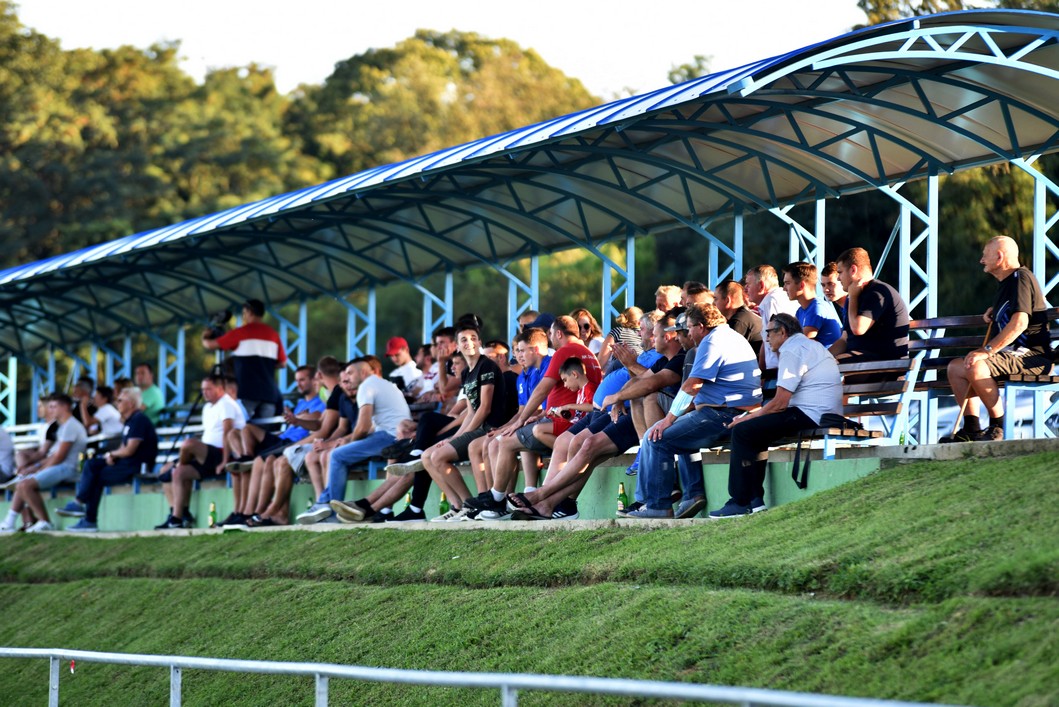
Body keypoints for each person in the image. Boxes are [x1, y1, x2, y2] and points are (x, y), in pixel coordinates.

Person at [626, 303, 761, 519]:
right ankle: (667, 498)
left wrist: (667, 420)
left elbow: (692, 385)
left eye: (689, 327)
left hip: (725, 414)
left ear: (701, 326)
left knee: (656, 438)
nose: (687, 333)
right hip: (730, 411)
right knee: (663, 433)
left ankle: (657, 506)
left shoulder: (713, 341)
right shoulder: (727, 336)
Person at [709, 313, 842, 518]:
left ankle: (739, 502)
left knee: (743, 430)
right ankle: (754, 500)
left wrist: (747, 417)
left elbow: (780, 403)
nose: (766, 337)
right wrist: (754, 416)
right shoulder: (808, 345)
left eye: (769, 332)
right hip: (820, 412)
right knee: (754, 431)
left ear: (783, 332)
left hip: (812, 414)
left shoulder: (792, 350)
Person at [943, 236, 1052, 442]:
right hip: (1012, 356)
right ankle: (972, 428)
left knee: (977, 365)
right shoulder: (1007, 283)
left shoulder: (1021, 278)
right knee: (956, 368)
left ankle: (999, 426)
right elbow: (1015, 310)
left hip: (1032, 357)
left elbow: (1020, 323)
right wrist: (996, 311)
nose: (981, 260)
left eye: (985, 255)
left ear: (1000, 256)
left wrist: (987, 351)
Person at [405, 322, 509, 522]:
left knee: (437, 457)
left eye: (473, 338)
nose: (469, 343)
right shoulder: (465, 373)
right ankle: (460, 505)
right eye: (464, 339)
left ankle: (473, 504)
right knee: (427, 456)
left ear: (479, 342)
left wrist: (459, 436)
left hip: (490, 428)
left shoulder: (487, 365)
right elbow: (470, 412)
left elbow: (485, 408)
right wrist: (455, 435)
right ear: (457, 346)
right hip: (476, 427)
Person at [299, 356, 410, 524]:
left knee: (337, 455)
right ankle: (324, 502)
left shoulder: (366, 385)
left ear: (363, 372)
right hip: (391, 434)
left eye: (350, 373)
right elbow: (371, 428)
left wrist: (349, 443)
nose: (346, 378)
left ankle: (330, 511)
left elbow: (363, 427)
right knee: (337, 451)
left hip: (391, 437)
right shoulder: (382, 383)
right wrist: (347, 440)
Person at [220, 364, 326, 526]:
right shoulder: (299, 403)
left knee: (263, 460)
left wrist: (298, 419)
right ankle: (245, 458)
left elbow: (318, 420)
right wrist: (295, 418)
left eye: (302, 380)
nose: (298, 384)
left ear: (315, 380)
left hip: (293, 444)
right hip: (282, 440)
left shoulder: (321, 401)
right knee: (242, 433)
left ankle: (253, 512)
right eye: (297, 380)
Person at [57, 387, 159, 532]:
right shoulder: (130, 421)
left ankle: (83, 510)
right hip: (127, 463)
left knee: (95, 474)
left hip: (136, 465)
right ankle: (85, 515)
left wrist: (113, 455)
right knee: (92, 466)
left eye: (120, 400)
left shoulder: (139, 420)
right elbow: (124, 447)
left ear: (130, 404)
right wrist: (113, 456)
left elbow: (130, 450)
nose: (117, 403)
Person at [154, 374, 246, 529]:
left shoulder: (226, 404)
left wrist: (224, 461)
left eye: (209, 389)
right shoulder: (207, 408)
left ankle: (179, 464)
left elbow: (227, 433)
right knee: (176, 473)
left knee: (188, 444)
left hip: (223, 454)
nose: (205, 393)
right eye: (203, 389)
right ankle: (177, 517)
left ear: (220, 388)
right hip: (207, 456)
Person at [0, 394, 88, 533]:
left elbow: (59, 457)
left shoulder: (71, 425)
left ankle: (44, 521)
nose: (50, 409)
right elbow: (52, 455)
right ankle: (10, 521)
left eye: (53, 406)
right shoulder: (62, 426)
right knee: (22, 481)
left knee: (25, 484)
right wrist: (34, 467)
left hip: (68, 468)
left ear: (65, 407)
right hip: (60, 467)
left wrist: (38, 470)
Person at [201, 298, 288, 419]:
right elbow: (283, 363)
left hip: (247, 391)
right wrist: (263, 365)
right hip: (269, 393)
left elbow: (211, 344)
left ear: (250, 312)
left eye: (244, 313)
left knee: (242, 429)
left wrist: (206, 336)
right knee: (264, 433)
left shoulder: (241, 332)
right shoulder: (273, 334)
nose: (244, 316)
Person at [828, 247, 910, 362]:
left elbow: (858, 329)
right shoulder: (855, 296)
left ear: (853, 270)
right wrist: (821, 358)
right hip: (863, 359)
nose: (838, 278)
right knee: (820, 365)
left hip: (885, 362)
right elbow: (844, 339)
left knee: (829, 366)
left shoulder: (877, 292)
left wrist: (853, 297)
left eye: (840, 272)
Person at [745, 265, 798, 371]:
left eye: (748, 285)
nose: (745, 289)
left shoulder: (771, 301)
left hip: (781, 370)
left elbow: (780, 336)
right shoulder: (773, 299)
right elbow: (767, 340)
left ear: (761, 286)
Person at [782, 262, 843, 348]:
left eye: (787, 283)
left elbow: (799, 344)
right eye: (823, 285)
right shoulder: (800, 311)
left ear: (801, 285)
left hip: (829, 360)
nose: (784, 288)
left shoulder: (816, 309)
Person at [714, 279, 762, 353]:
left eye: (716, 299)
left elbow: (724, 353)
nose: (713, 303)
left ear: (727, 300)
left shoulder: (739, 322)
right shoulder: (744, 317)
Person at [597, 306, 644, 373]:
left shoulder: (617, 332)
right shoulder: (645, 334)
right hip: (641, 369)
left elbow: (600, 363)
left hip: (620, 370)